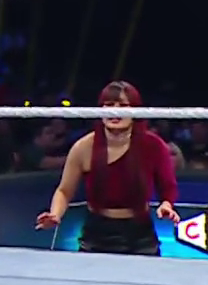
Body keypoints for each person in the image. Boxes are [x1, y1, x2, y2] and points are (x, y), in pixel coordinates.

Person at [35, 81, 180, 254]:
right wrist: (55, 214)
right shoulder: (84, 147)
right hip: (96, 234)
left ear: (136, 111)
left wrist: (167, 205)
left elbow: (167, 186)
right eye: (109, 105)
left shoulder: (153, 145)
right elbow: (64, 190)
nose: (115, 112)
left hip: (140, 235)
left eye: (123, 106)